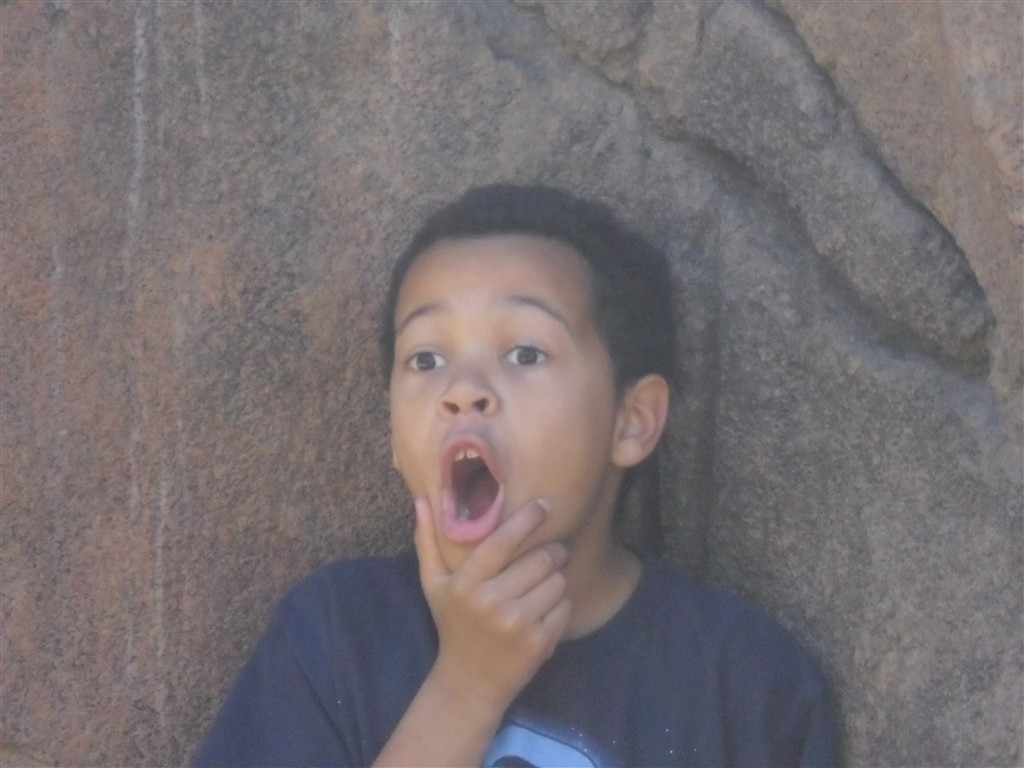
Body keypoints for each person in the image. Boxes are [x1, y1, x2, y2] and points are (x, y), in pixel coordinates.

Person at [193, 183, 837, 767]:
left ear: (632, 421)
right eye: (426, 358)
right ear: (392, 433)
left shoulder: (747, 685)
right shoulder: (333, 639)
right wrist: (464, 690)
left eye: (525, 353)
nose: (463, 389)